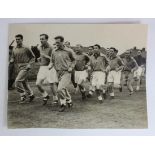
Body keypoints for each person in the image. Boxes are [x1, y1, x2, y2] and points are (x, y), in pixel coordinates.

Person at [50, 36, 76, 112]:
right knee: (63, 88)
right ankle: (69, 101)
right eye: (55, 42)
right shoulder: (54, 51)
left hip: (66, 72)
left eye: (58, 42)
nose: (56, 44)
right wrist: (50, 65)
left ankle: (63, 104)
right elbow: (51, 60)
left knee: (60, 89)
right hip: (57, 72)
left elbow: (74, 60)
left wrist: (71, 67)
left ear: (62, 42)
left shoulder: (69, 51)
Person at [9, 34, 35, 103]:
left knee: (17, 81)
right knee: (24, 82)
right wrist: (11, 60)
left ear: (22, 40)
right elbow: (12, 57)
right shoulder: (14, 48)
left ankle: (23, 95)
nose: (17, 40)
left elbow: (33, 57)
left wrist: (29, 64)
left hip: (25, 66)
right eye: (16, 39)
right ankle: (31, 95)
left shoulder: (26, 48)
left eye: (19, 39)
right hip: (17, 67)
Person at [36, 34, 58, 105]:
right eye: (40, 39)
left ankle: (55, 98)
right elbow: (41, 55)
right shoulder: (40, 47)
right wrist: (40, 58)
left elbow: (54, 59)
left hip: (50, 67)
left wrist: (46, 56)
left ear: (46, 39)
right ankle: (45, 95)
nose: (41, 40)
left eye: (42, 39)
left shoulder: (51, 48)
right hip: (42, 67)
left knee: (52, 84)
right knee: (38, 84)